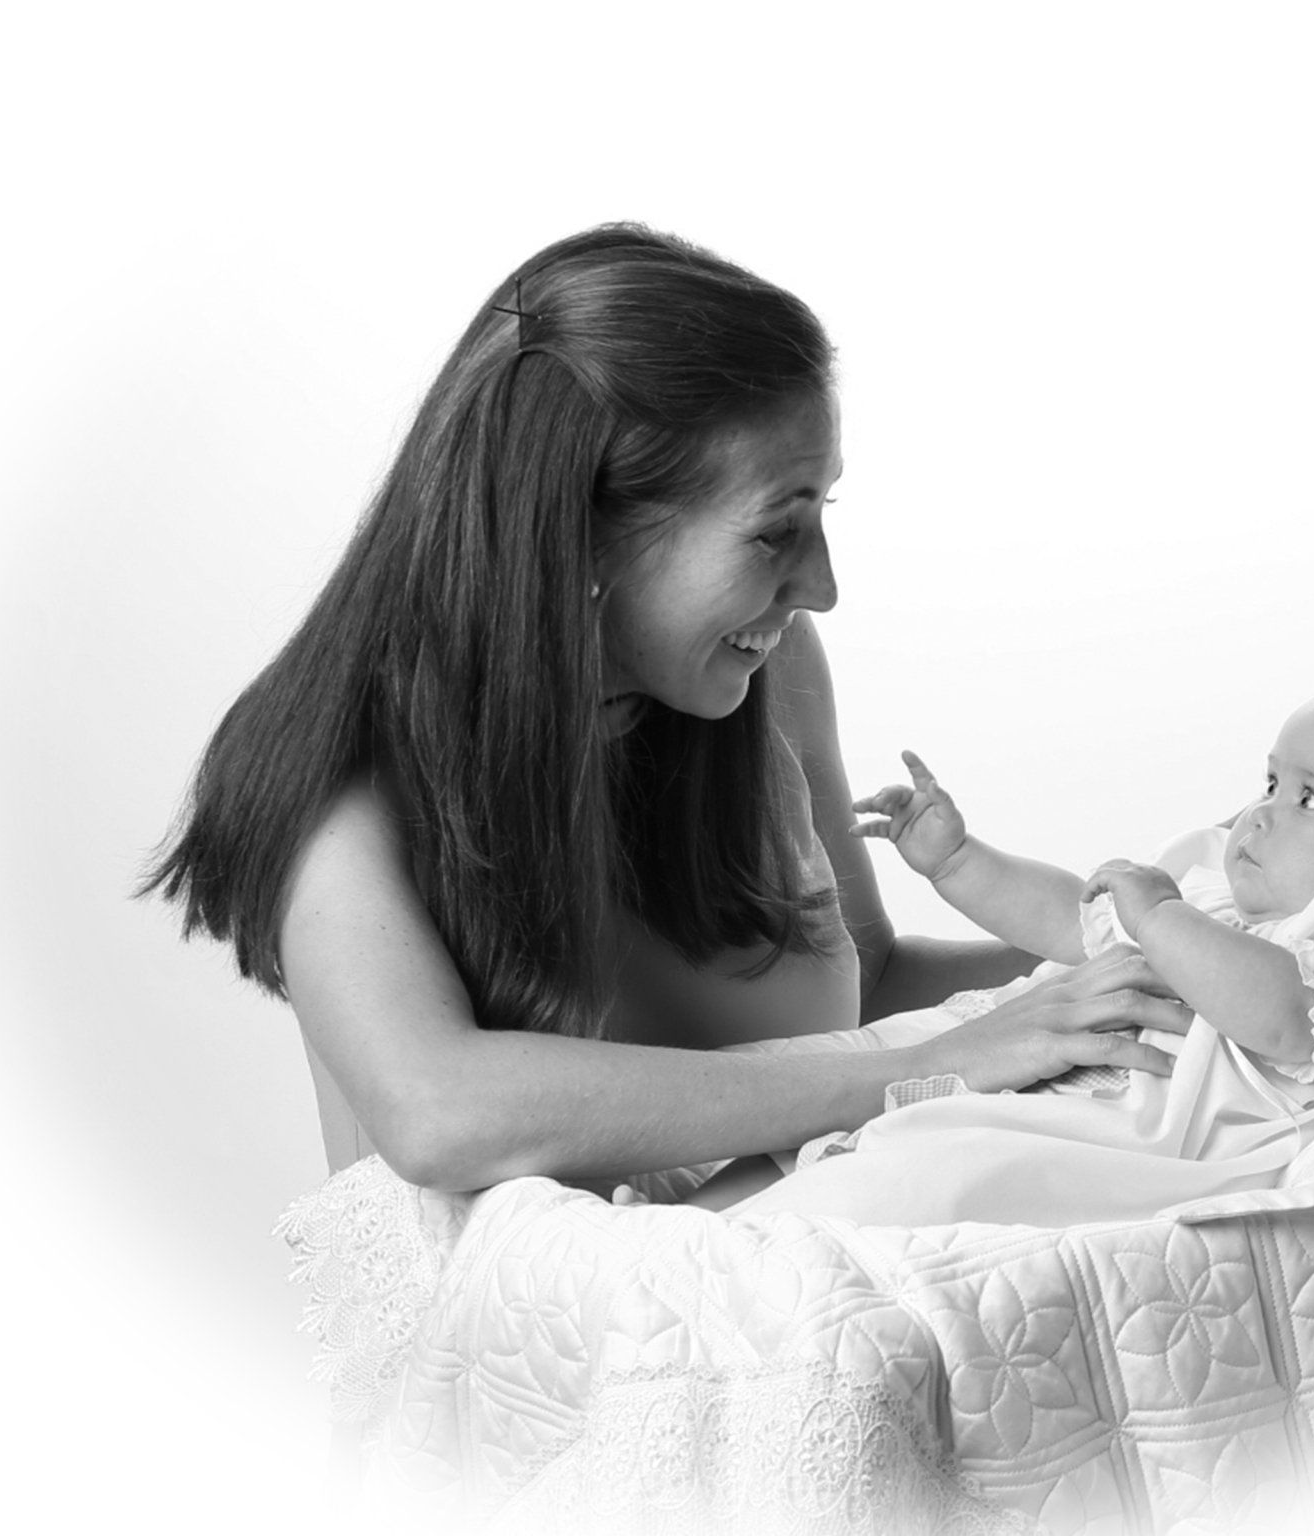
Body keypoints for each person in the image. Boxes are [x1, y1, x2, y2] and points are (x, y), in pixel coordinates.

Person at [142, 224, 1193, 1197]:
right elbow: (438, 1113)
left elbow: (865, 988)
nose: (822, 588)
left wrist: (1165, 950)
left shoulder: (773, 674)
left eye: (823, 510)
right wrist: (931, 1072)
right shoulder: (336, 765)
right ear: (580, 533)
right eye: (775, 532)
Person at [731, 665, 1314, 1223]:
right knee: (831, 1106)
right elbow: (1075, 920)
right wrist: (958, 862)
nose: (1260, 813)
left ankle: (754, 1235)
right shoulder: (1215, 894)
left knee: (923, 1178)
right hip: (1033, 1076)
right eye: (1272, 782)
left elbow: (1288, 1020)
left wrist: (1164, 919)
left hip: (1113, 1140)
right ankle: (703, 1222)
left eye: (1309, 800)